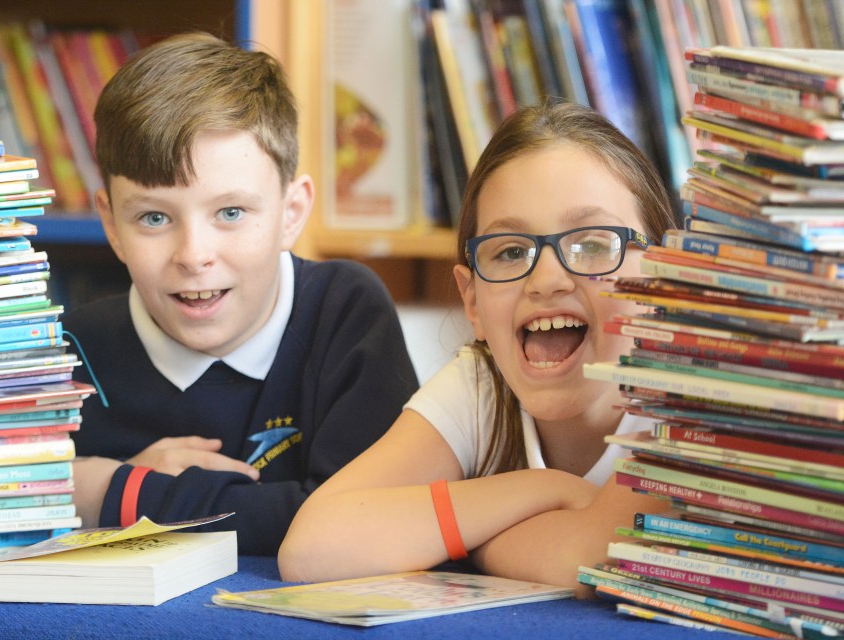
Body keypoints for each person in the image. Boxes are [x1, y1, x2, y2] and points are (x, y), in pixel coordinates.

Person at [278, 101, 679, 588]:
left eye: (593, 244)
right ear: (473, 301)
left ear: (664, 275)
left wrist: (471, 542)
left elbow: (594, 555)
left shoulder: (689, 399)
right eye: (510, 252)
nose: (547, 278)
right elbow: (311, 548)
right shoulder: (481, 386)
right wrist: (542, 489)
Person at [64, 32, 420, 555]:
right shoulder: (68, 353)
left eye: (230, 212)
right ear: (112, 224)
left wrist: (104, 489)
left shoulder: (345, 312)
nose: (194, 254)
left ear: (290, 213)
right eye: (154, 217)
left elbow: (366, 521)